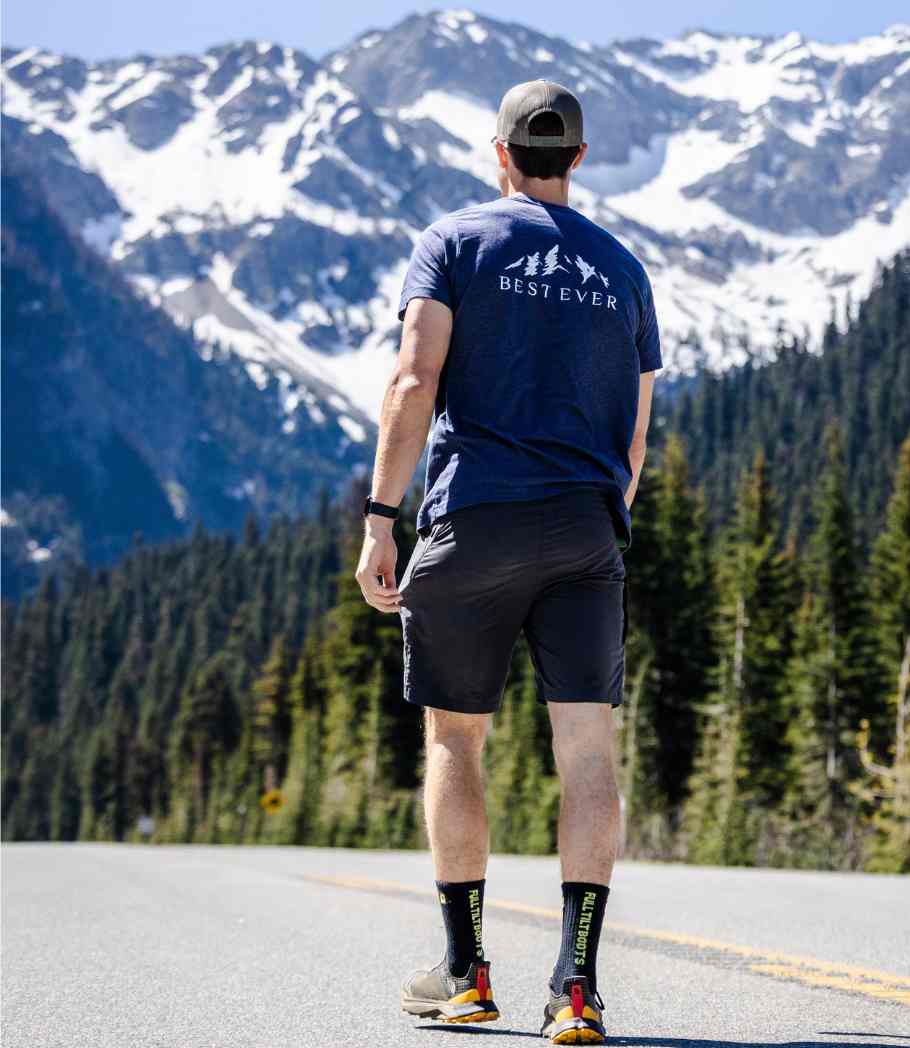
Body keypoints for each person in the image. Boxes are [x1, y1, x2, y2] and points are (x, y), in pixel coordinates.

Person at [355, 77, 662, 1045]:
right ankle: (576, 986)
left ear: (500, 154)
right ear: (578, 157)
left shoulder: (455, 241)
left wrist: (381, 518)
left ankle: (466, 969)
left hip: (474, 519)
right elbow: (636, 438)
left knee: (456, 739)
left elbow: (415, 379)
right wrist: (598, 526)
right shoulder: (623, 270)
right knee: (588, 749)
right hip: (586, 527)